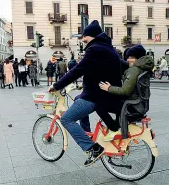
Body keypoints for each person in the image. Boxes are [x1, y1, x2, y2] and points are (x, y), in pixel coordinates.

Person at [49, 20, 123, 166]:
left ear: (93, 36)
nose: (83, 40)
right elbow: (96, 70)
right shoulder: (107, 47)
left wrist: (57, 85)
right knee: (78, 98)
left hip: (98, 96)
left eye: (85, 38)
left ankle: (92, 148)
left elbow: (78, 70)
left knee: (66, 119)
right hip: (104, 93)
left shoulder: (95, 49)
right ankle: (86, 132)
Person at [97, 45, 154, 141]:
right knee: (114, 102)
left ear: (138, 58)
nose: (128, 60)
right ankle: (117, 125)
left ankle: (114, 129)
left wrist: (109, 88)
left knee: (98, 105)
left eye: (131, 57)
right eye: (127, 57)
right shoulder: (144, 68)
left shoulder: (134, 70)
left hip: (131, 106)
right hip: (140, 104)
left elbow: (125, 91)